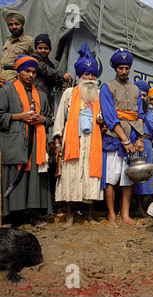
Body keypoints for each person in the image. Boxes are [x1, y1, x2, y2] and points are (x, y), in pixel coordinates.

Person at [52, 43, 103, 228]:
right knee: (69, 176)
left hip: (93, 141)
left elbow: (105, 119)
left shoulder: (98, 95)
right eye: (86, 75)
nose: (89, 78)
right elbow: (60, 119)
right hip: (73, 140)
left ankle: (89, 215)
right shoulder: (69, 93)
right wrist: (57, 141)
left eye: (92, 75)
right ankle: (69, 217)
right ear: (80, 76)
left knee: (92, 177)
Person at [0, 55, 53, 227]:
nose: (31, 75)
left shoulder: (42, 96)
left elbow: (49, 118)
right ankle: (11, 217)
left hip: (36, 143)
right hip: (15, 142)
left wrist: (41, 119)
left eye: (33, 72)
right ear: (18, 72)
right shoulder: (6, 92)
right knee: (15, 176)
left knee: (35, 180)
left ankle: (34, 214)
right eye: (27, 71)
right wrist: (18, 116)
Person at [99, 48, 145, 228]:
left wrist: (139, 138)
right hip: (114, 137)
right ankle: (111, 216)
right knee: (111, 177)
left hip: (133, 137)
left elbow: (139, 114)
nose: (124, 71)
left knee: (128, 178)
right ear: (115, 69)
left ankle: (125, 215)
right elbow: (110, 116)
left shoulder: (135, 89)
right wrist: (124, 140)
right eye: (121, 68)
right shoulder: (107, 87)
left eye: (127, 68)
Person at [132, 80, 153, 217]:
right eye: (140, 95)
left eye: (144, 96)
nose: (142, 98)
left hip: (148, 146)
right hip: (133, 144)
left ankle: (144, 208)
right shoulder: (131, 111)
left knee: (145, 177)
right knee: (133, 175)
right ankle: (132, 208)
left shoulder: (152, 115)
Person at [31, 34, 73, 110]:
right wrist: (61, 74)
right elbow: (45, 69)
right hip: (35, 92)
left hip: (46, 94)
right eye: (40, 48)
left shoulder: (50, 64)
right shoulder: (34, 60)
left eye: (46, 48)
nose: (43, 50)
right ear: (36, 48)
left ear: (50, 49)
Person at [1, 10, 35, 82]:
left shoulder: (29, 41)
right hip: (2, 74)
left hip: (15, 77)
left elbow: (36, 62)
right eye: (11, 24)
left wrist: (19, 77)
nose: (14, 27)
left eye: (17, 24)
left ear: (22, 25)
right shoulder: (8, 41)